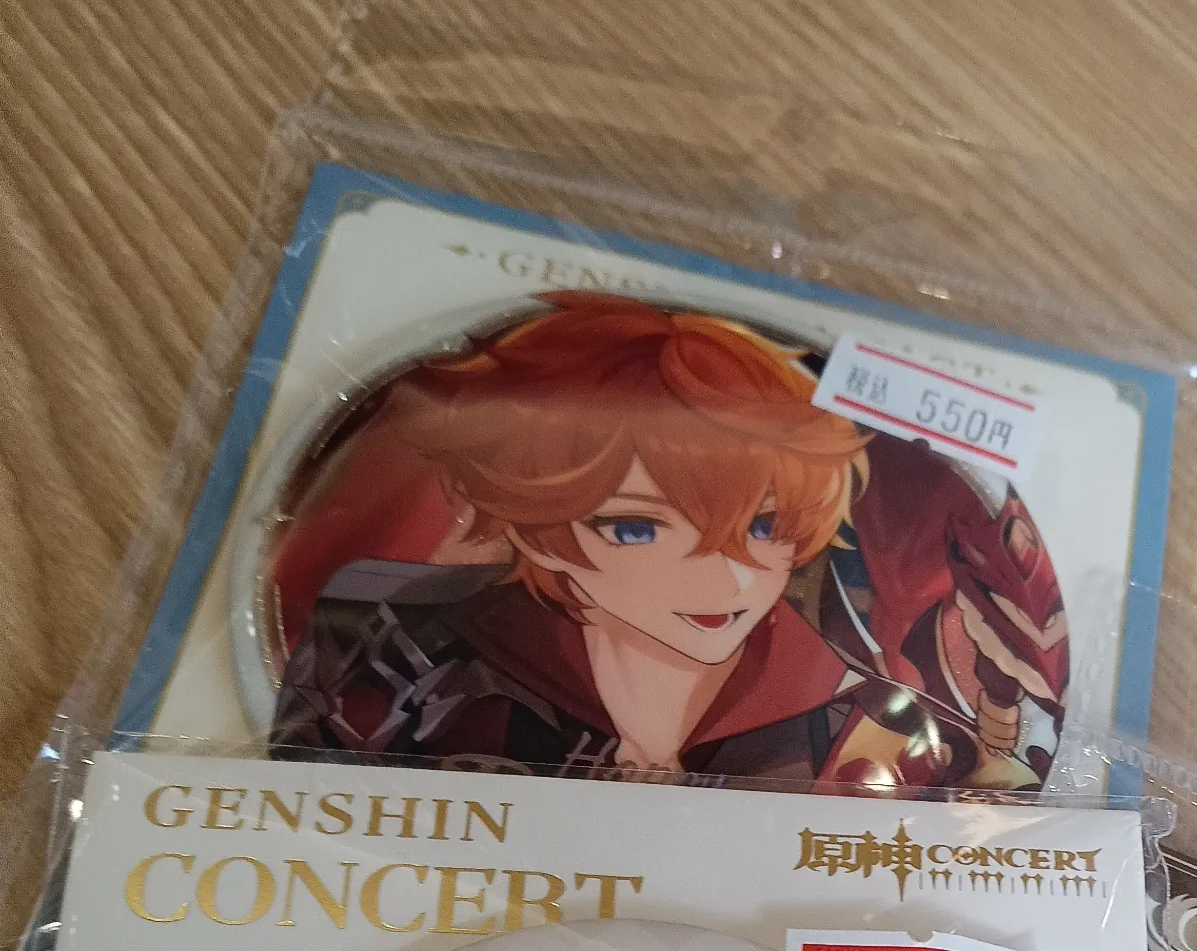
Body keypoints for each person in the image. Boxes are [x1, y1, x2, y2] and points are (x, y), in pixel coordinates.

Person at [268, 293, 1068, 790]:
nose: (728, 581)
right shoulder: (386, 643)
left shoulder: (874, 727)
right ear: (535, 531)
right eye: (636, 528)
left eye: (764, 527)